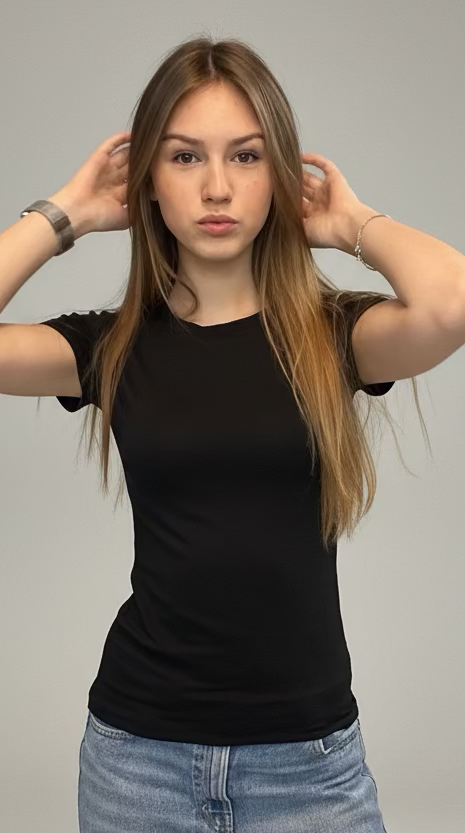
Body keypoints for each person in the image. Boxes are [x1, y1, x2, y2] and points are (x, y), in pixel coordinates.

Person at [3, 35, 465, 833]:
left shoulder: (333, 335)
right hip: (136, 760)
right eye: (184, 157)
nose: (216, 187)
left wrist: (351, 222)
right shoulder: (110, 347)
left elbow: (449, 305)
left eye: (246, 157)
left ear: (278, 174)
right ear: (147, 179)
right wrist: (64, 214)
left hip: (308, 766)